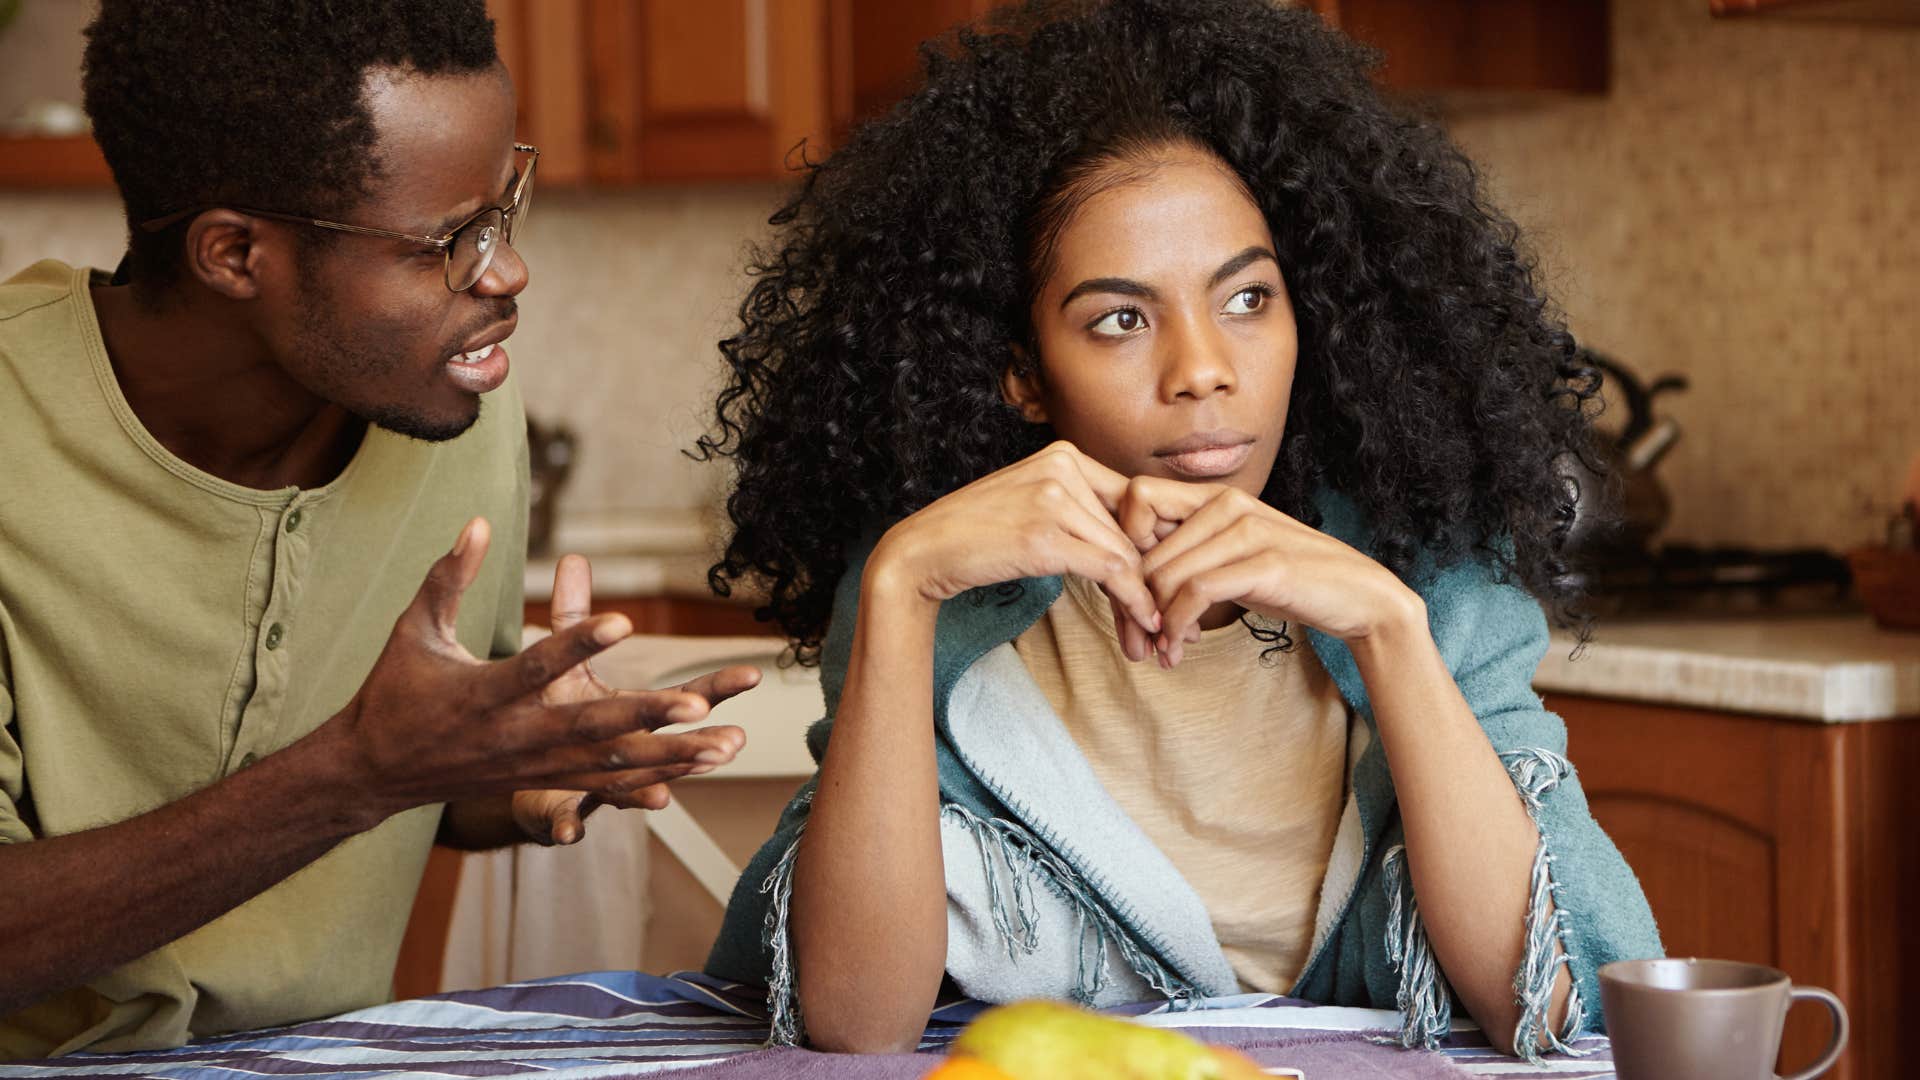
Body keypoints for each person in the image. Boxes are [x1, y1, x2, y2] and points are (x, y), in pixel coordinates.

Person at [696, 0, 1661, 1061]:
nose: (1203, 368)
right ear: (1021, 372)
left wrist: (1389, 629)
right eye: (1122, 318)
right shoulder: (947, 588)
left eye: (1248, 299)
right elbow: (851, 1023)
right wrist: (897, 588)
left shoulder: (1430, 559)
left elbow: (1563, 1003)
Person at [0, 0, 756, 1059]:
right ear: (233, 253)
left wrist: (524, 758)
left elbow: (426, 781)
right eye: (449, 239)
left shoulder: (461, 414)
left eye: (505, 209)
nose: (505, 273)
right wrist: (362, 771)